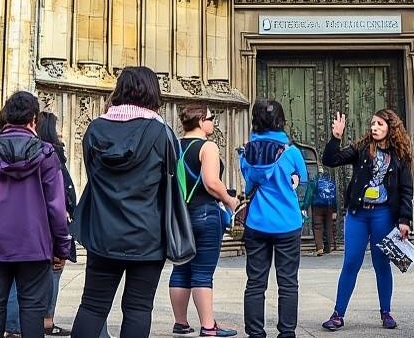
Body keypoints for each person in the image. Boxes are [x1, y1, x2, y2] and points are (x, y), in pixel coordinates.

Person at [71, 66, 174, 338]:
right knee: (138, 308)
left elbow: (93, 177)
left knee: (92, 307)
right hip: (148, 236)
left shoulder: (94, 129)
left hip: (103, 233)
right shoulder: (162, 133)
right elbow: (175, 186)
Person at [0, 91, 71, 338]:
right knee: (33, 309)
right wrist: (62, 247)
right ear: (33, 119)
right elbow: (56, 207)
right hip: (34, 245)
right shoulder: (46, 154)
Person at [320, 108, 414, 332]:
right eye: (373, 123)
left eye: (380, 124)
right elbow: (330, 160)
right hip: (358, 215)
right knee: (351, 262)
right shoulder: (362, 148)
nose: (374, 127)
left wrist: (405, 220)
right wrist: (336, 137)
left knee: (382, 264)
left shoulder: (400, 154)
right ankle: (338, 314)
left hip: (383, 215)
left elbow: (406, 190)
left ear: (391, 128)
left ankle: (386, 312)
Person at [239, 99, 310, 338]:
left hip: (257, 222)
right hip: (287, 223)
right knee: (288, 282)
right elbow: (303, 180)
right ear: (281, 120)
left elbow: (249, 182)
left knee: (255, 283)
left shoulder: (248, 150)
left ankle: (256, 333)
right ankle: (287, 332)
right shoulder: (291, 152)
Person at [169, 104, 240, 337]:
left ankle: (181, 323)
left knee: (180, 269)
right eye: (211, 118)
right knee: (202, 272)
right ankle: (208, 326)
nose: (213, 122)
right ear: (201, 121)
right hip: (205, 214)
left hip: (180, 217)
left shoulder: (175, 146)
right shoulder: (207, 147)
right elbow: (211, 182)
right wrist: (230, 200)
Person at [6, 111, 79, 337]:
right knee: (52, 273)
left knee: (14, 277)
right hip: (47, 227)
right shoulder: (50, 155)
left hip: (18, 227)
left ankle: (12, 326)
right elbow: (61, 195)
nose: (59, 134)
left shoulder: (15, 152)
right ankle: (46, 320)